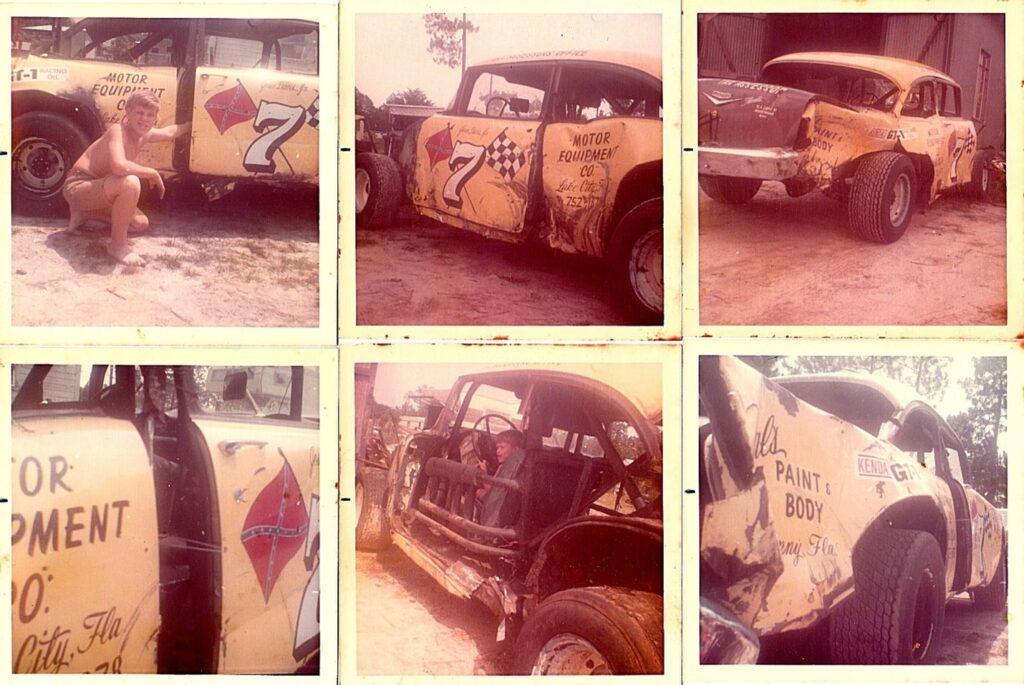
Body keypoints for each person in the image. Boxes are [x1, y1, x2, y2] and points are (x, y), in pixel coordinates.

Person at [63, 90, 191, 266]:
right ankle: (118, 246)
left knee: (140, 224)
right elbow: (119, 166)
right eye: (139, 112)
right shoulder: (117, 130)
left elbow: (169, 132)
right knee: (130, 183)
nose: (144, 119)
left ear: (155, 118)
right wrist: (151, 172)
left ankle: (85, 214)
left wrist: (191, 125)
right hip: (79, 186)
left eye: (150, 115)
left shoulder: (146, 134)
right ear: (128, 112)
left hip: (101, 190)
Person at [477, 428, 525, 529]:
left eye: (502, 447)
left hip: (499, 504)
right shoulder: (505, 466)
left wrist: (484, 472)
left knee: (477, 491)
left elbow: (491, 491)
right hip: (502, 501)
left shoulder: (507, 468)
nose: (497, 451)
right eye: (497, 448)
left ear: (515, 450)